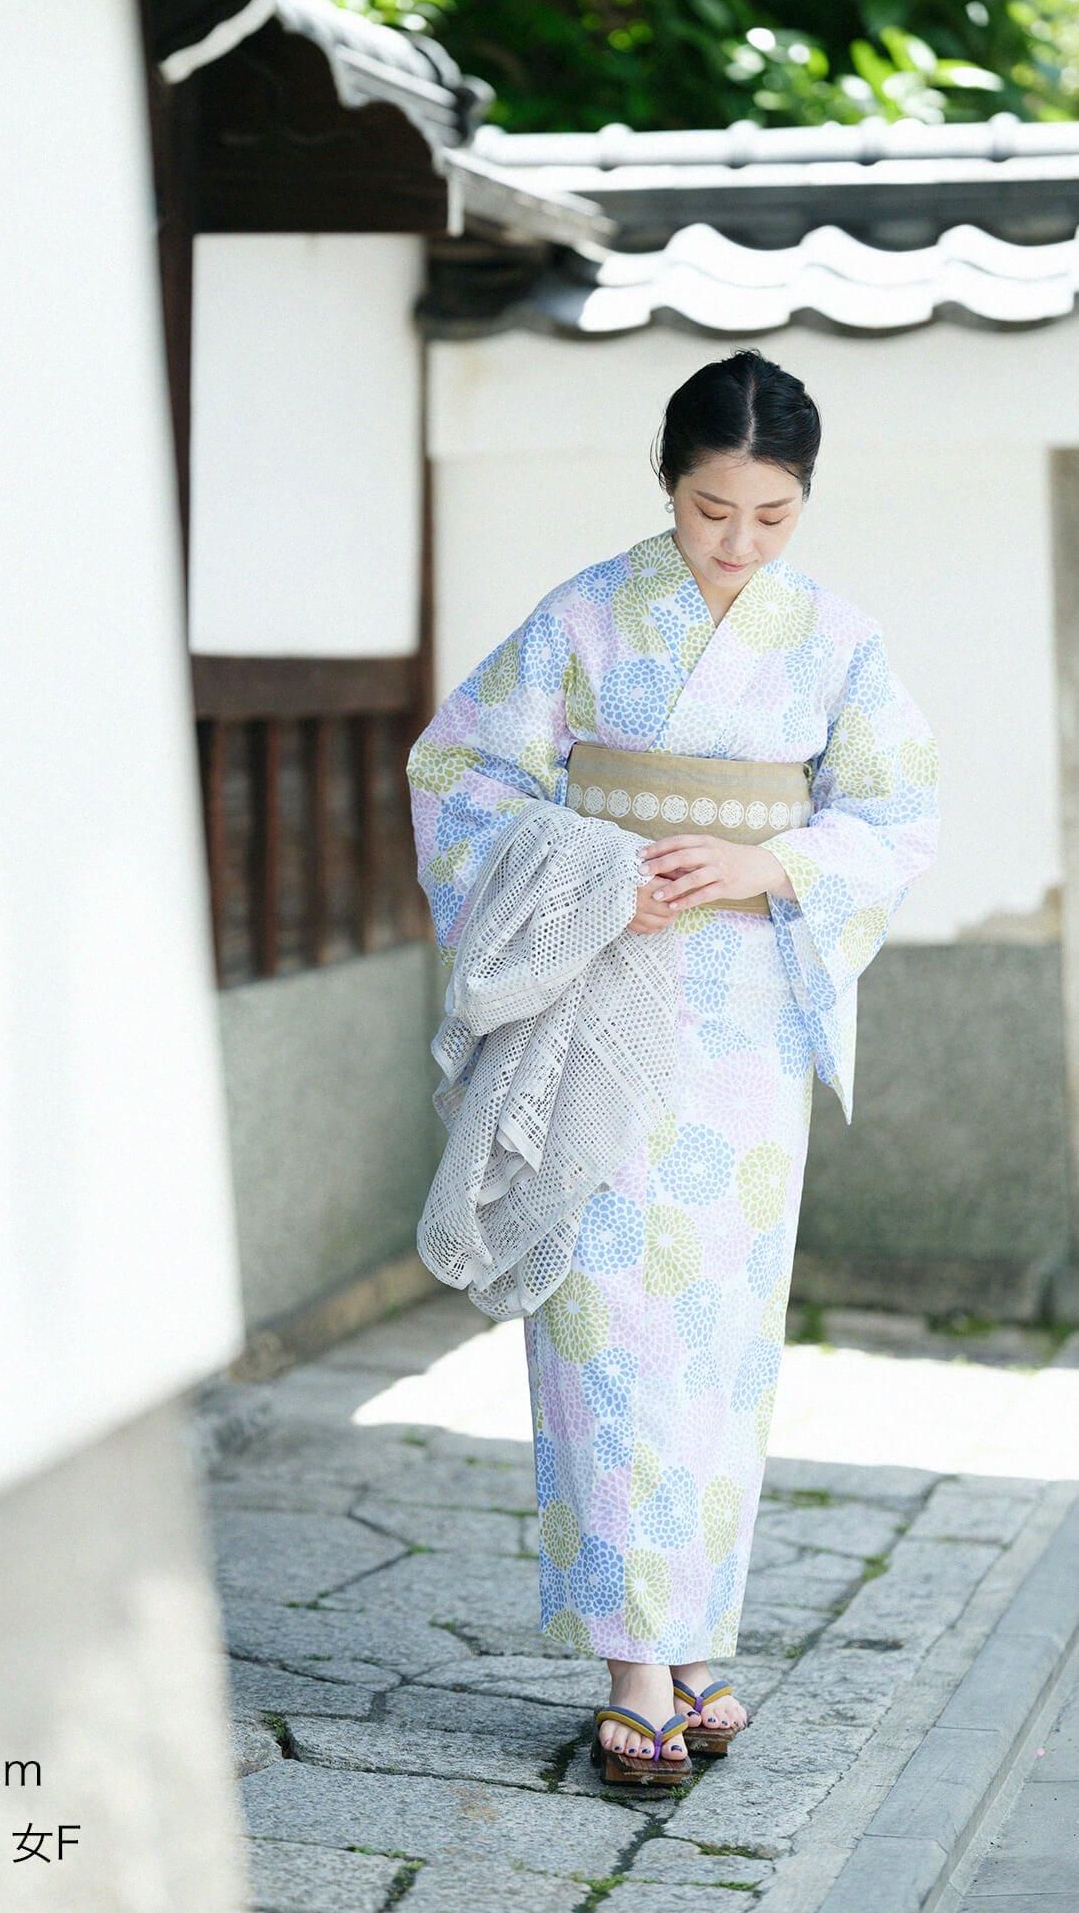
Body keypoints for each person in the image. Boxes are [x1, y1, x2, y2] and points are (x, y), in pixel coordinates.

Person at [405, 347, 939, 1778]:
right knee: (601, 1323)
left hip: (742, 1024)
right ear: (668, 482)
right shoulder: (584, 615)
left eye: (770, 516)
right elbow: (458, 775)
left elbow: (892, 818)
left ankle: (698, 1642)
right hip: (599, 995)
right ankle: (630, 1662)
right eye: (712, 511)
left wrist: (769, 860)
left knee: (717, 1334)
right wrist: (589, 875)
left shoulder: (835, 641)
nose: (737, 542)